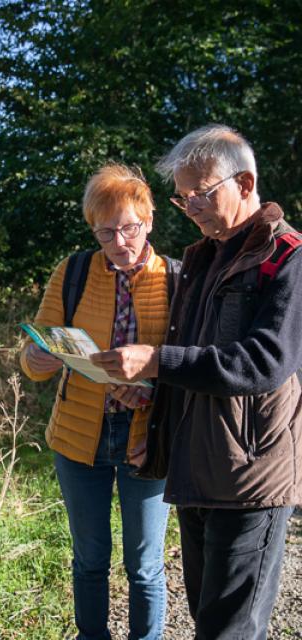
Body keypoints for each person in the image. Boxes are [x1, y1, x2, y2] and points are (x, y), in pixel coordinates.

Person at [92, 124, 302, 639]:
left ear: (246, 184)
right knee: (206, 619)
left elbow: (265, 361)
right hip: (195, 467)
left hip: (251, 475)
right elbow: (190, 353)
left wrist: (158, 360)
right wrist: (148, 402)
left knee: (231, 629)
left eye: (201, 194)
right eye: (183, 198)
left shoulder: (289, 257)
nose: (192, 207)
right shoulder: (203, 256)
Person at [20, 163, 175, 640]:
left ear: (148, 221)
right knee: (89, 559)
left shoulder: (176, 278)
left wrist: (150, 388)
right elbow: (36, 351)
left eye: (128, 227)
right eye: (106, 232)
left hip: (146, 441)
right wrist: (38, 360)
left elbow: (187, 366)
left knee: (144, 564)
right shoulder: (73, 272)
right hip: (77, 437)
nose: (119, 241)